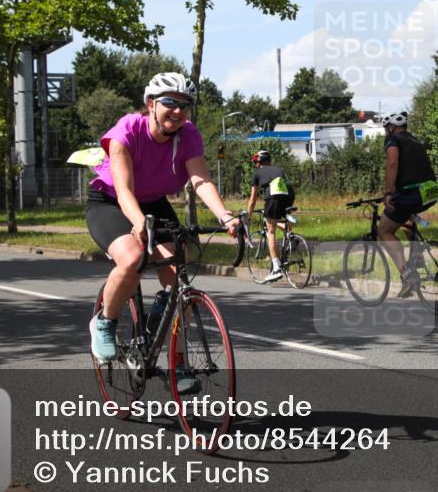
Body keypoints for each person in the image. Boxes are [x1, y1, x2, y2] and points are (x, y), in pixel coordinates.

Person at [86, 72, 240, 373]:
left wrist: (226, 216)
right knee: (133, 259)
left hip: (154, 201)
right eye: (170, 102)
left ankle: (177, 362)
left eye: (185, 105)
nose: (178, 111)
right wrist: (139, 222)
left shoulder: (189, 134)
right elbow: (124, 190)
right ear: (151, 103)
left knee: (176, 275)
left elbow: (201, 179)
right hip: (111, 200)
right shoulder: (127, 130)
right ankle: (105, 322)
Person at [377, 111, 438, 297]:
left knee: (385, 231)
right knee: (405, 217)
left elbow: (392, 163)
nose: (385, 132)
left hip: (412, 193)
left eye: (386, 129)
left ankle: (407, 275)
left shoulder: (393, 140)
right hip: (430, 191)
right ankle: (417, 256)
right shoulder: (415, 141)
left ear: (391, 127)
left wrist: (389, 193)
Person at [245, 150, 296, 282]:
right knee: (275, 220)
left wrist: (249, 215)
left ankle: (276, 268)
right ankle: (290, 234)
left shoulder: (257, 173)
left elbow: (253, 199)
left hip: (274, 196)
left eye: (256, 162)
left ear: (258, 162)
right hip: (289, 196)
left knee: (270, 232)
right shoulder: (278, 169)